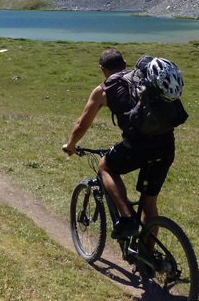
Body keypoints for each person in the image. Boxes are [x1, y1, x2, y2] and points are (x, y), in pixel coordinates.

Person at [63, 49, 177, 240]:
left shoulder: (103, 90)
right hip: (166, 144)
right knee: (149, 204)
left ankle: (127, 219)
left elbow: (82, 124)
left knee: (105, 166)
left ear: (102, 69)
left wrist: (71, 145)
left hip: (138, 146)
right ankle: (147, 263)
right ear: (125, 64)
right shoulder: (143, 79)